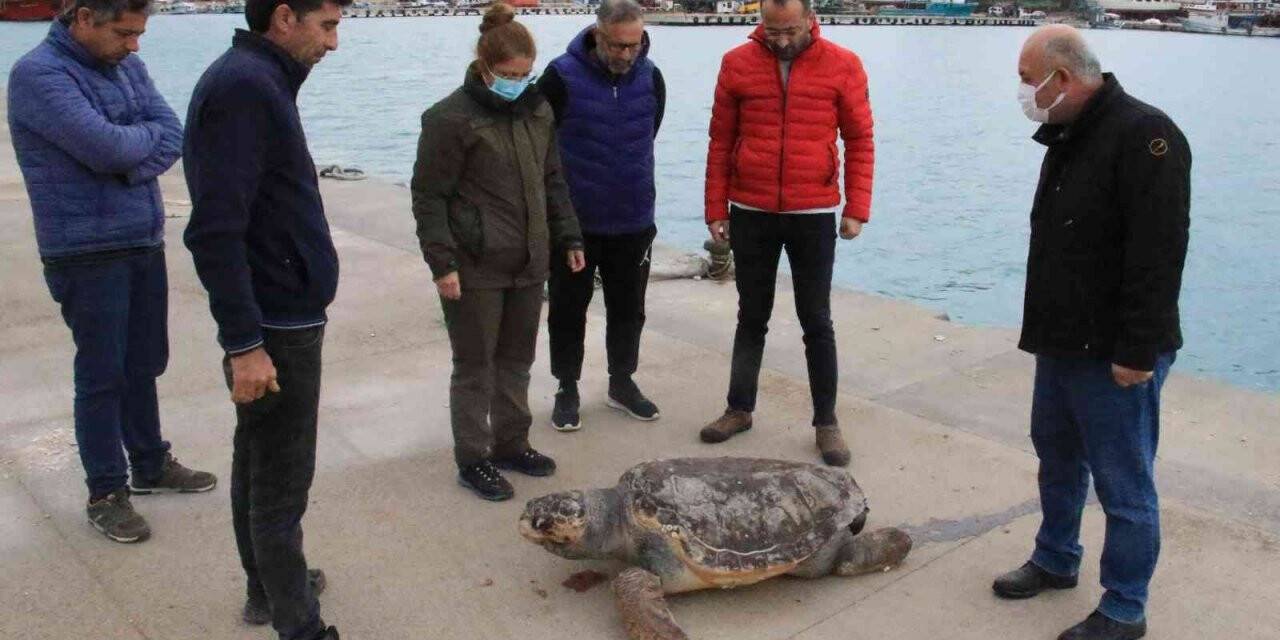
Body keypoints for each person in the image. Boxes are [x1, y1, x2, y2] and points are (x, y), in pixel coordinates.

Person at [992, 25, 1191, 640]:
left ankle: (1125, 606)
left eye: (1029, 82)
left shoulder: (1145, 135)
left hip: (1114, 351)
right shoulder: (1069, 132)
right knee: (1056, 456)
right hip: (1061, 339)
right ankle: (1056, 557)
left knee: (1123, 481)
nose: (1023, 92)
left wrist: (1136, 351)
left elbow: (1158, 254)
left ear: (1063, 79)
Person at [7, 0, 216, 545]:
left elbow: (170, 132)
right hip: (85, 248)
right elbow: (103, 148)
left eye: (139, 33)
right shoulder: (38, 75)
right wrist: (125, 154)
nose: (135, 45)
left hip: (141, 238)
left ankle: (149, 462)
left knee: (144, 361)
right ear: (81, 18)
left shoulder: (126, 64)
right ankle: (106, 491)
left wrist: (129, 158)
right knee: (102, 374)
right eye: (124, 32)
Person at [182, 0, 351, 637]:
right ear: (284, 17)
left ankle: (267, 587)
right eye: (327, 26)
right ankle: (299, 626)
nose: (334, 43)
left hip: (280, 311)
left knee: (258, 459)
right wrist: (246, 343)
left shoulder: (257, 80)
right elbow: (215, 230)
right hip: (276, 322)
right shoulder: (246, 88)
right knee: (281, 481)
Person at [411, 3, 586, 502]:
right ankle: (474, 458)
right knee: (474, 366)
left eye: (526, 74)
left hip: (529, 262)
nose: (519, 82)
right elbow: (429, 196)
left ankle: (512, 442)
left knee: (517, 360)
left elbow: (553, 180)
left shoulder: (538, 110)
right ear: (485, 67)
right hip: (474, 266)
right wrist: (441, 263)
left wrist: (569, 237)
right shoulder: (449, 119)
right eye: (509, 75)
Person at [699, 0, 874, 467]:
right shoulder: (736, 63)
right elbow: (719, 139)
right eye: (771, 31)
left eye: (790, 31)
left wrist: (857, 208)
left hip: (813, 212)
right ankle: (738, 408)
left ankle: (826, 422)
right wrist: (716, 207)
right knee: (750, 315)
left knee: (816, 320)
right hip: (750, 209)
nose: (780, 40)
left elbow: (859, 139)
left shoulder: (843, 64)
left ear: (810, 20)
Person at [537, 0, 666, 432]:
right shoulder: (559, 76)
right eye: (616, 45)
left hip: (633, 218)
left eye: (634, 45)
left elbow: (649, 132)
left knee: (629, 308)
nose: (626, 54)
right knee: (568, 309)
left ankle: (622, 382)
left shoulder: (651, 78)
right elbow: (539, 145)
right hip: (575, 223)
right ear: (597, 33)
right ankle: (566, 387)